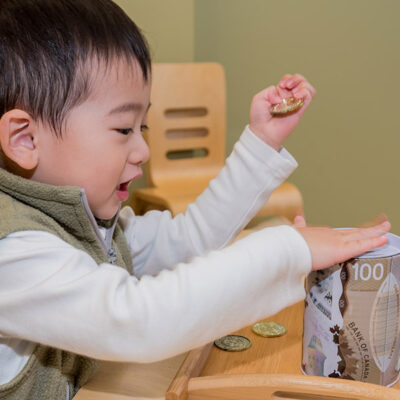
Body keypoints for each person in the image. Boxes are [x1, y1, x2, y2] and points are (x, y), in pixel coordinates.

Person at [0, 0, 390, 399]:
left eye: (143, 127)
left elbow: (188, 240)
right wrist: (287, 251)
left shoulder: (91, 226)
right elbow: (138, 320)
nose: (143, 151)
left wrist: (262, 142)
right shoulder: (14, 254)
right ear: (25, 140)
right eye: (122, 129)